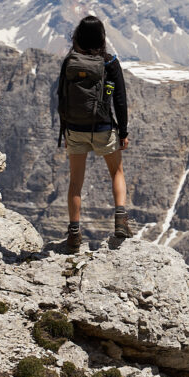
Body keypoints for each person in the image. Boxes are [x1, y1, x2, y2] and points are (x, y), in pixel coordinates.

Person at [57, 15, 131, 252]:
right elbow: (120, 100)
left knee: (75, 182)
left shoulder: (70, 62)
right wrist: (123, 132)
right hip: (103, 127)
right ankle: (120, 222)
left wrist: (65, 130)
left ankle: (74, 234)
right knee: (116, 172)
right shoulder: (110, 63)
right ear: (101, 37)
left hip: (75, 128)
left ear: (77, 36)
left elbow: (61, 97)